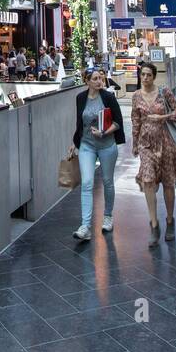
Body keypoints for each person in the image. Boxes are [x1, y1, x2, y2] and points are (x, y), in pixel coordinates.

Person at [130, 61, 176, 246]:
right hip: (146, 143)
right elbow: (135, 120)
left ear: (154, 76)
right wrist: (135, 144)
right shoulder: (136, 96)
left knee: (168, 183)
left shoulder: (164, 92)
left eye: (149, 75)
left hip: (166, 142)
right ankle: (153, 223)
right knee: (148, 180)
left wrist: (163, 117)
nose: (145, 78)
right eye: (143, 75)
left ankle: (170, 219)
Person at [69, 67, 126, 242]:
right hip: (87, 145)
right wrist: (74, 143)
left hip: (107, 145)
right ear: (87, 81)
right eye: (95, 79)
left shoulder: (108, 97)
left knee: (108, 182)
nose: (99, 81)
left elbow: (118, 122)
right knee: (87, 183)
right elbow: (81, 123)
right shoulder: (80, 98)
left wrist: (104, 133)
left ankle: (108, 216)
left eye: (100, 78)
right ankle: (85, 226)